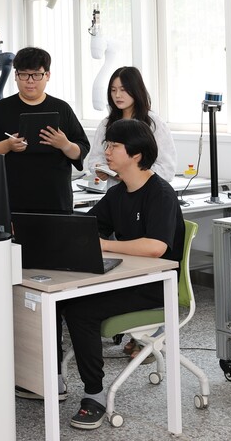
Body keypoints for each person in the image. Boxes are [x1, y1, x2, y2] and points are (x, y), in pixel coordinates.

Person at [58, 118, 185, 430]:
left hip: (156, 286)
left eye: (114, 146)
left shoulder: (160, 193)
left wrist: (104, 244)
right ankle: (49, 376)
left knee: (80, 309)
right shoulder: (118, 194)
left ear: (136, 154)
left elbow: (156, 247)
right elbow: (89, 227)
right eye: (108, 145)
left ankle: (94, 395)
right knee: (62, 298)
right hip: (128, 278)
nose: (107, 151)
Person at [0, 47, 89, 214]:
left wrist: (64, 144)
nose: (30, 81)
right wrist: (7, 145)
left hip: (55, 200)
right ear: (15, 76)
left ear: (47, 75)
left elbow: (81, 150)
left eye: (36, 74)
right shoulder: (0, 109)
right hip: (12, 200)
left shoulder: (62, 108)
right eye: (24, 74)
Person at [84, 66, 176, 184]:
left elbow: (167, 169)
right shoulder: (106, 124)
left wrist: (130, 173)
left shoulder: (154, 123)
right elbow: (95, 159)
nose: (117, 95)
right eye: (113, 90)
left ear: (136, 90)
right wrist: (100, 169)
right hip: (116, 191)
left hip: (145, 191)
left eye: (123, 90)